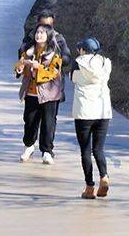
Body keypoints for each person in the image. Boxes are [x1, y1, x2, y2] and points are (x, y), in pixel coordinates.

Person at [14, 24, 63, 164]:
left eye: (42, 32)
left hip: (49, 95)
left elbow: (54, 73)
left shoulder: (55, 53)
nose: (39, 35)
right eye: (37, 32)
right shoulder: (28, 52)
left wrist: (38, 67)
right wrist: (20, 69)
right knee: (29, 121)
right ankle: (29, 146)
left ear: (48, 36)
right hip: (31, 93)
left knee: (48, 124)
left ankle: (46, 151)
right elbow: (19, 66)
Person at [71, 37, 112, 199]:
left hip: (84, 113)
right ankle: (104, 177)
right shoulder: (105, 63)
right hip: (103, 111)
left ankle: (89, 187)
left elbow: (73, 78)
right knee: (98, 149)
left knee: (86, 150)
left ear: (83, 50)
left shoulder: (78, 62)